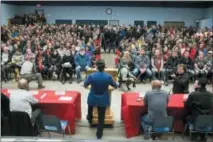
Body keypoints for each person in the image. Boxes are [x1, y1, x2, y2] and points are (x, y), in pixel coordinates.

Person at [84, 59, 118, 139]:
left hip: (92, 98)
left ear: (96, 67)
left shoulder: (91, 76)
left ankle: (90, 118)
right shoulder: (108, 77)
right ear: (104, 67)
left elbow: (85, 84)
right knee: (101, 118)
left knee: (90, 108)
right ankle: (99, 135)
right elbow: (115, 86)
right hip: (103, 99)